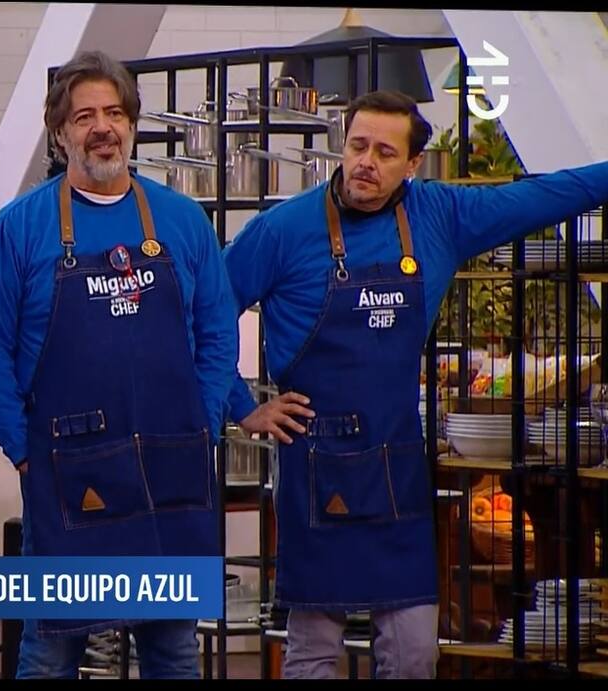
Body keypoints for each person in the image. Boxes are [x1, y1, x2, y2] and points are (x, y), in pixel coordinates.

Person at [221, 89, 608, 679]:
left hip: (396, 458)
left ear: (412, 163)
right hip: (315, 459)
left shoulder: (440, 216)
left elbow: (546, 195)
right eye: (357, 146)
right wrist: (241, 405)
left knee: (414, 652)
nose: (365, 162)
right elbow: (204, 311)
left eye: (384, 152)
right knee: (314, 649)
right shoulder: (281, 230)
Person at [0, 50, 239, 679]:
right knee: (51, 649)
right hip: (66, 473)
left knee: (172, 650)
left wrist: (201, 423)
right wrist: (23, 453)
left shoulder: (182, 220)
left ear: (133, 125)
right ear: (60, 134)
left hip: (171, 468)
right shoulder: (18, 230)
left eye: (114, 113)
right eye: (84, 116)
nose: (102, 127)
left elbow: (218, 333)